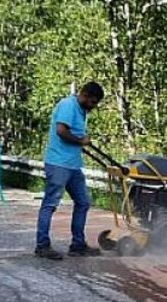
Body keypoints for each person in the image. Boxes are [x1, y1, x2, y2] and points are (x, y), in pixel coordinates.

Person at [35, 82, 105, 260]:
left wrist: (81, 141)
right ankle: (42, 246)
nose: (94, 107)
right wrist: (80, 141)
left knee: (83, 202)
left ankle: (78, 245)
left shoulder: (81, 111)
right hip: (58, 163)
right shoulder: (68, 105)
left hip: (73, 165)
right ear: (86, 96)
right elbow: (61, 131)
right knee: (50, 204)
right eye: (93, 102)